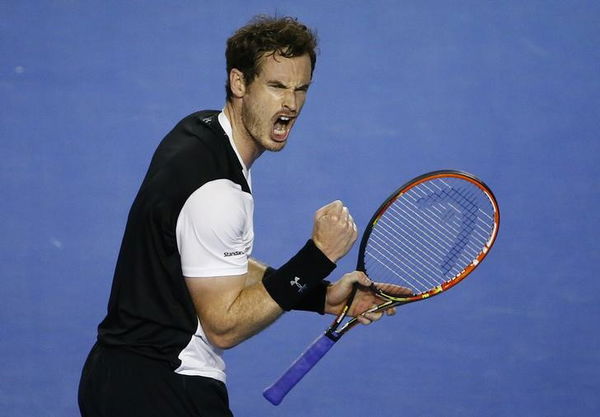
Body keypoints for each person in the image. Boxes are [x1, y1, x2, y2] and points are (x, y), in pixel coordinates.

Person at [78, 15, 410, 417]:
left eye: (300, 89)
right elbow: (224, 325)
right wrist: (318, 256)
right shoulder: (219, 194)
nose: (290, 103)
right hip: (168, 388)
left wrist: (320, 296)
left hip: (111, 378)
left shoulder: (196, 132)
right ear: (239, 83)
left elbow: (209, 261)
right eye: (275, 86)